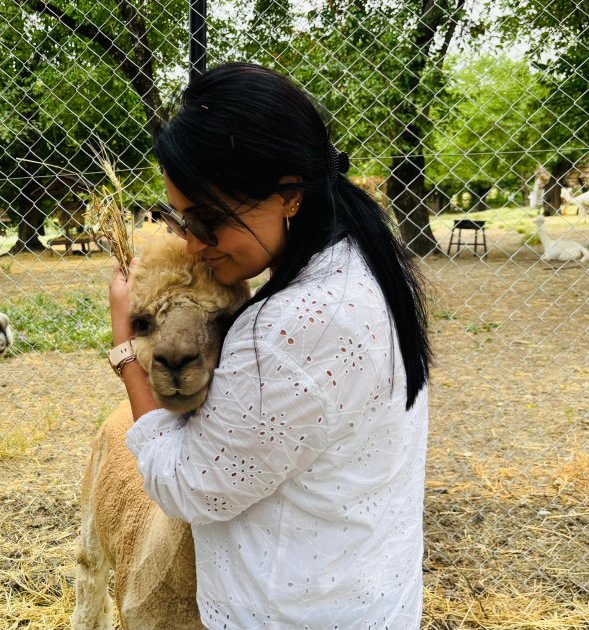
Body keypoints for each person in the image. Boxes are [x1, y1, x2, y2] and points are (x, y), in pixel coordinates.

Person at [107, 62, 432, 629]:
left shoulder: (288, 327)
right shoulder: (368, 259)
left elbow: (189, 487)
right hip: (370, 591)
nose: (196, 243)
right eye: (182, 221)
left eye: (209, 220)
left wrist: (126, 345)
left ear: (287, 195)